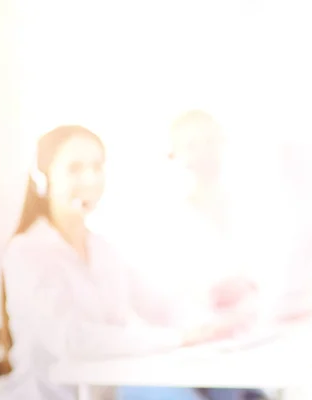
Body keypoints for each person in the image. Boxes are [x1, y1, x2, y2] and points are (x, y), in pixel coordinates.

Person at [0, 125, 244, 400]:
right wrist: (178, 337)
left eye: (97, 166)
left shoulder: (101, 247)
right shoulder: (26, 252)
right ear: (42, 179)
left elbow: (156, 303)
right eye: (75, 168)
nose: (90, 178)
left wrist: (212, 325)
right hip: (54, 396)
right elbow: (72, 340)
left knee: (231, 392)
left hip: (106, 390)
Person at [115, 111, 267, 400]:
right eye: (192, 145)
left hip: (240, 347)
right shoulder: (160, 218)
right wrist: (206, 306)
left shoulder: (250, 207)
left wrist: (249, 287)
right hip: (182, 351)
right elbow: (151, 301)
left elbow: (270, 278)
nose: (204, 153)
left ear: (224, 144)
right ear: (174, 155)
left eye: (210, 141)